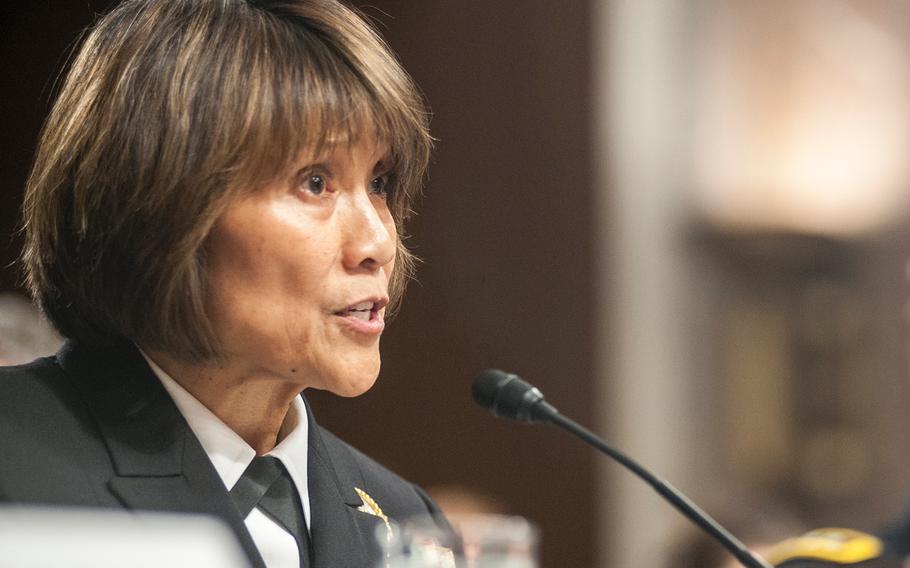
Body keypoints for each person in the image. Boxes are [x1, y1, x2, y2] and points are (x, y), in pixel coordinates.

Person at [0, 1, 448, 567]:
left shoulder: (408, 521)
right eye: (316, 182)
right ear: (160, 208)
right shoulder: (12, 462)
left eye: (380, 182)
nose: (379, 244)